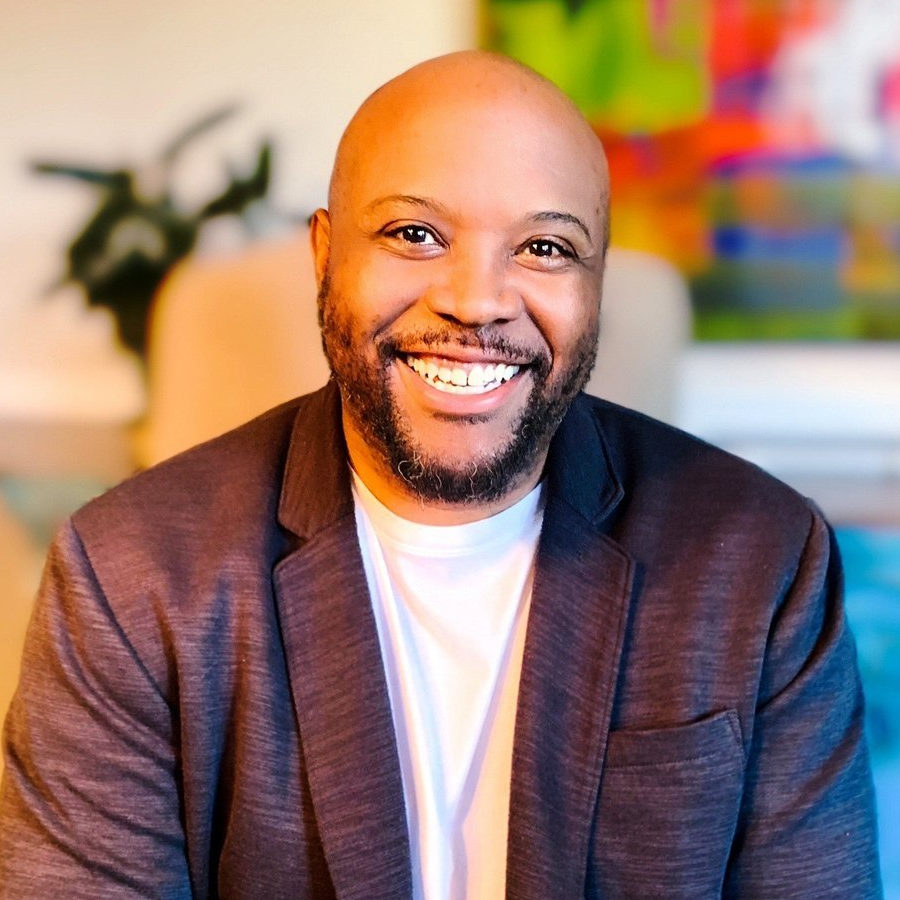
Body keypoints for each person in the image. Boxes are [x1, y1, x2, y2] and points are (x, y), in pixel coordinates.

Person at [0, 51, 882, 900]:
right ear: (324, 255)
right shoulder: (131, 577)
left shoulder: (761, 562)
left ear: (596, 282)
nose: (476, 299)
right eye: (415, 234)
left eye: (544, 248)